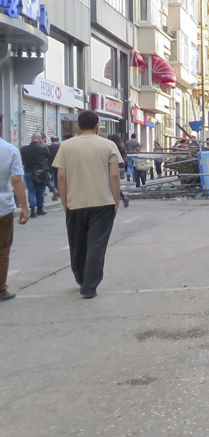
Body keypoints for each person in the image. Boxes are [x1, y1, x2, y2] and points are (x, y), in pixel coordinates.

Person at [53, 110, 123, 298]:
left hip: (76, 202)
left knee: (77, 244)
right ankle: (89, 286)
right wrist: (116, 200)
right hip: (102, 202)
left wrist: (64, 200)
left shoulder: (66, 146)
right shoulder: (109, 145)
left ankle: (81, 277)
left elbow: (61, 175)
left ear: (78, 125)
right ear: (97, 125)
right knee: (96, 244)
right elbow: (115, 175)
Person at [1, 117, 31, 301]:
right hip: (3, 208)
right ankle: (0, 288)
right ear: (1, 126)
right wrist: (25, 207)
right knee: (2, 249)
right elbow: (16, 180)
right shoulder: (10, 150)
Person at [20, 132, 51, 218]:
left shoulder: (24, 149)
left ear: (31, 138)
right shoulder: (44, 148)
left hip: (28, 171)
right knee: (40, 191)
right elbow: (48, 158)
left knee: (31, 190)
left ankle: (32, 210)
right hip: (40, 172)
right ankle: (40, 209)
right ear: (40, 139)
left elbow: (21, 160)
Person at [47, 135, 60, 200]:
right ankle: (58, 191)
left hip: (50, 165)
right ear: (58, 140)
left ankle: (54, 190)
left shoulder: (48, 147)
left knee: (51, 179)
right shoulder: (60, 147)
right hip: (59, 165)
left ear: (51, 140)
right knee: (57, 179)